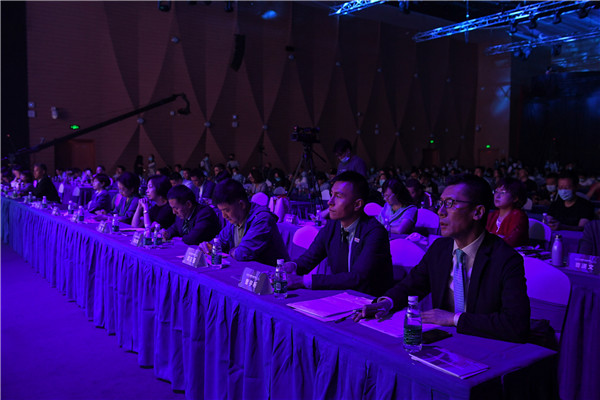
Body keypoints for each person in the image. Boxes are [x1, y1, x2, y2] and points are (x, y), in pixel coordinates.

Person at [354, 174, 530, 343]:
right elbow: (411, 285)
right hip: (443, 342)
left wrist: (454, 319)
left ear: (477, 212)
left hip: (484, 345)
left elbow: (516, 324)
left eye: (450, 203)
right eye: (441, 203)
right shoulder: (440, 248)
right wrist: (386, 302)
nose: (441, 212)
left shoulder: (505, 259)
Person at [284, 171, 393, 296]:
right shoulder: (332, 226)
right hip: (340, 296)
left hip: (368, 300)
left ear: (357, 204)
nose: (330, 202)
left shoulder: (375, 232)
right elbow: (309, 259)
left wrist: (304, 281)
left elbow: (357, 277)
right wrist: (293, 266)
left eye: (338, 196)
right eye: (331, 194)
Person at [199, 179, 288, 265]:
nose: (224, 216)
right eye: (221, 211)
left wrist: (230, 251)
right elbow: (219, 242)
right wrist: (208, 246)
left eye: (226, 210)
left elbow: (243, 253)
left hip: (271, 273)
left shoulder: (263, 219)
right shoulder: (235, 219)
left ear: (241, 205)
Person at [485, 177, 529, 248]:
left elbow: (512, 242)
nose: (497, 196)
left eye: (502, 192)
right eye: (496, 191)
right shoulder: (491, 215)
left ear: (515, 198)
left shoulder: (519, 216)